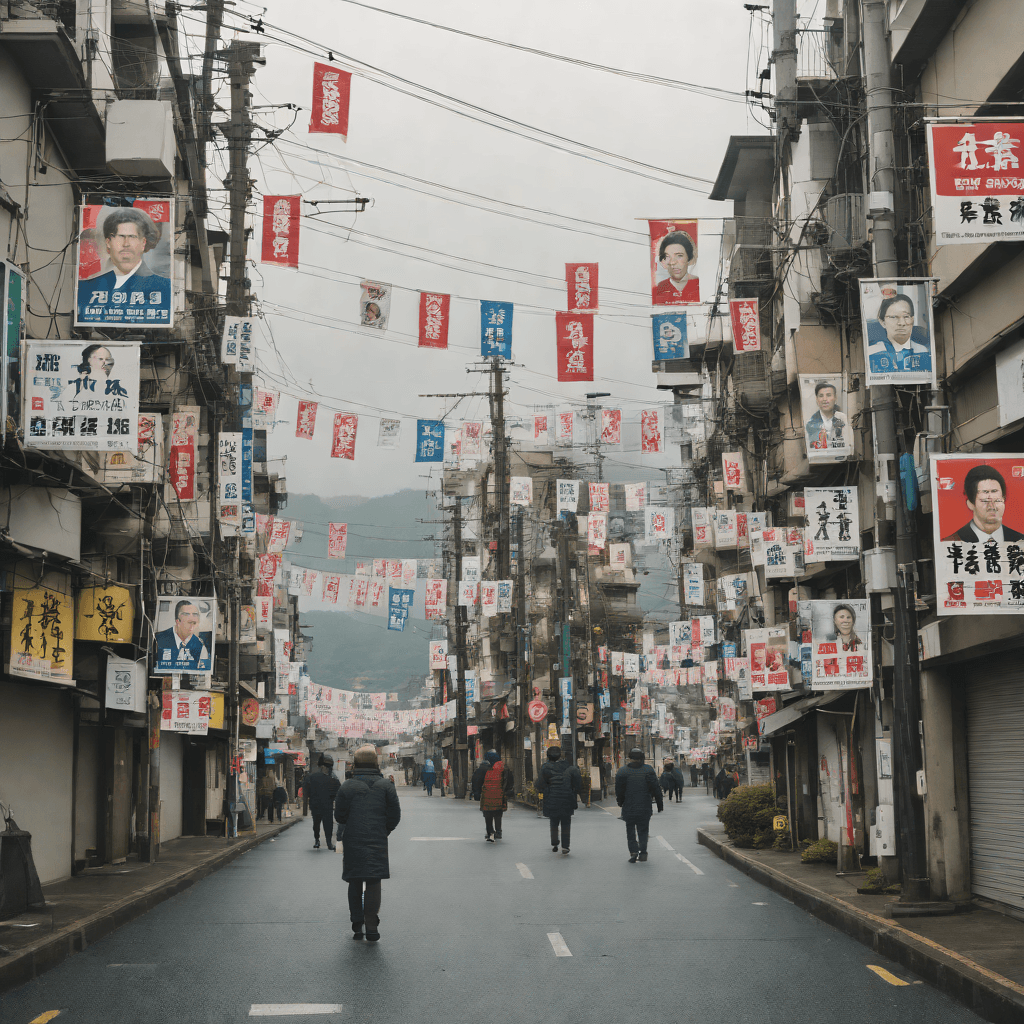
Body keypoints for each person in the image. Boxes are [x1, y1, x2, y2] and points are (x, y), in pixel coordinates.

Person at [335, 744, 401, 943]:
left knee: (355, 880)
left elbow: (339, 816)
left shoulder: (347, 786)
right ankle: (371, 926)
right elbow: (395, 816)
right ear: (375, 763)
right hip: (377, 839)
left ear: (355, 764)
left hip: (353, 839)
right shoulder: (386, 786)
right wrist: (384, 830)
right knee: (373, 880)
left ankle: (357, 925)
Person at [77, 207, 171, 323]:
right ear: (108, 242)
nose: (126, 244)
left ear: (143, 243)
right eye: (120, 236)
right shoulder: (85, 288)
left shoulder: (165, 288)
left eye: (132, 237)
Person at [941, 465, 1023, 542]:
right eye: (985, 501)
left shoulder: (1020, 540)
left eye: (997, 500)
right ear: (970, 504)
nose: (992, 506)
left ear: (1003, 500)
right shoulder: (952, 541)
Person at [615, 748, 663, 863]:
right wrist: (659, 804)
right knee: (643, 830)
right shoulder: (648, 770)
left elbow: (619, 790)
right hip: (645, 806)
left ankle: (633, 851)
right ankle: (643, 852)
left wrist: (620, 802)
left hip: (629, 806)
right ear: (642, 758)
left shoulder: (622, 771)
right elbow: (656, 788)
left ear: (629, 758)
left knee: (630, 830)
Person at [866, 293, 932, 376]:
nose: (901, 323)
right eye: (894, 317)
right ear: (882, 322)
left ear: (912, 320)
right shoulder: (873, 352)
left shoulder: (922, 351)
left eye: (906, 316)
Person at [535, 746, 581, 855]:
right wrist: (573, 792)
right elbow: (578, 784)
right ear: (560, 755)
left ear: (548, 756)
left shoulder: (545, 768)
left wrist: (546, 790)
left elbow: (539, 784)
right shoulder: (570, 768)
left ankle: (555, 843)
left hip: (552, 799)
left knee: (554, 821)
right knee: (566, 822)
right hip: (567, 799)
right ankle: (565, 846)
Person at [154, 599, 211, 671]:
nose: (192, 627)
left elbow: (203, 672)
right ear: (178, 622)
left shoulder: (200, 646)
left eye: (194, 623)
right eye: (189, 623)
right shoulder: (158, 639)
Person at [471, 750, 515, 842]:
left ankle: (490, 831)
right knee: (498, 813)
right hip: (499, 795)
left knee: (488, 814)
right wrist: (507, 791)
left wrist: (476, 793)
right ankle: (498, 831)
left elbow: (476, 780)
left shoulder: (483, 768)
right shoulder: (504, 767)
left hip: (486, 795)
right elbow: (509, 780)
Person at [304, 753, 341, 850]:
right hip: (326, 805)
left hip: (315, 805)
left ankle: (317, 840)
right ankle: (329, 843)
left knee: (316, 824)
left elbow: (307, 793)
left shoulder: (311, 777)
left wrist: (307, 806)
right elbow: (337, 792)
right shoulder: (333, 779)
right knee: (328, 824)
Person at [652, 229, 699, 305]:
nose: (673, 262)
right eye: (668, 256)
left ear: (689, 257)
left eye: (679, 256)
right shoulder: (658, 289)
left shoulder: (699, 285)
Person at [804, 381, 849, 453]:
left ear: (835, 398)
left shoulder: (842, 418)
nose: (824, 399)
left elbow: (847, 444)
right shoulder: (810, 423)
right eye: (821, 396)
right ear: (816, 399)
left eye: (828, 395)